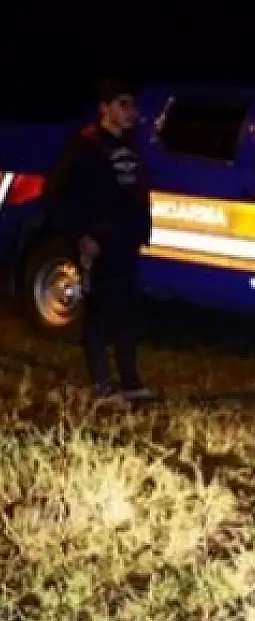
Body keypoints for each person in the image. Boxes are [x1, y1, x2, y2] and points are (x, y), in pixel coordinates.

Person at [47, 78, 153, 403]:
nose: (131, 112)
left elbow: (135, 191)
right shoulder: (85, 145)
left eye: (133, 104)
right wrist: (80, 235)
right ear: (104, 108)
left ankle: (130, 382)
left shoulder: (131, 146)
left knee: (126, 313)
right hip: (98, 242)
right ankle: (103, 386)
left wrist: (141, 228)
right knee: (100, 312)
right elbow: (59, 193)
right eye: (123, 104)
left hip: (126, 241)